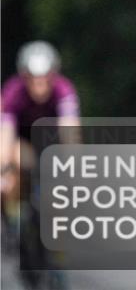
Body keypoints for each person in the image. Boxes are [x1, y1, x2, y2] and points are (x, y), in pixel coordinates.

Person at [1, 41, 81, 213]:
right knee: (9, 173)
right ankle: (10, 223)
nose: (39, 85)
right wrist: (3, 169)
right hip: (23, 146)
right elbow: (5, 133)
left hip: (53, 146)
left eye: (44, 78)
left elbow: (70, 130)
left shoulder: (64, 89)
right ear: (24, 77)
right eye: (33, 78)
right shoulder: (13, 91)